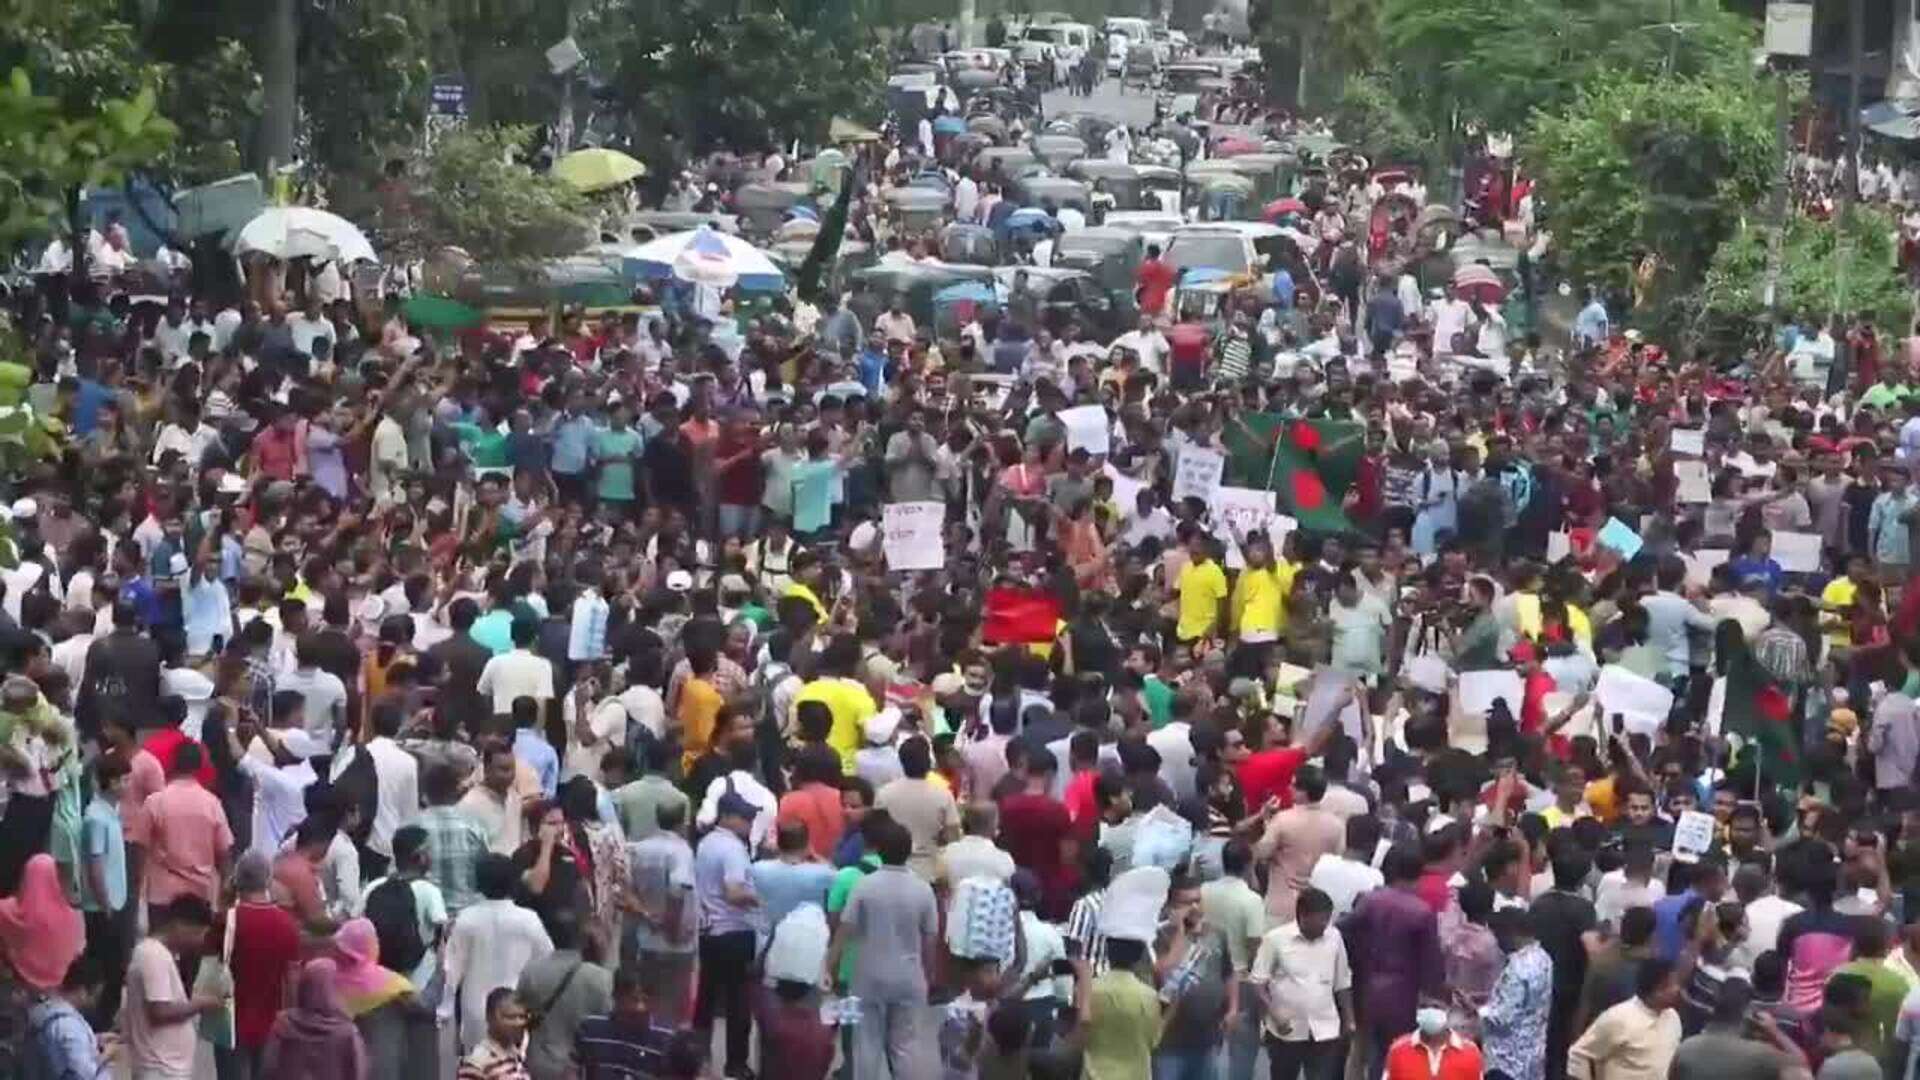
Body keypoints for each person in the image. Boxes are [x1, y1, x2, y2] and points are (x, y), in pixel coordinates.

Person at [825, 816, 939, 1078]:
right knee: (905, 1045)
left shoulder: (865, 886)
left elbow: (845, 929)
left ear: (878, 849)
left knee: (865, 1044)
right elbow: (930, 939)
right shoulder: (922, 889)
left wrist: (829, 965)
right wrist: (929, 975)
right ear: (908, 851)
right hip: (909, 976)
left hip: (867, 975)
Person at [441, 853, 556, 1053]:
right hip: (515, 1011)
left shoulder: (467, 919)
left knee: (478, 1066)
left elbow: (452, 970)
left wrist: (444, 1010)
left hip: (476, 1011)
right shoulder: (529, 920)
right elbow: (547, 962)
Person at [1251, 886, 1353, 1080]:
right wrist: (1274, 1013)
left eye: (1327, 919)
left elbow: (1342, 981)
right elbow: (1258, 982)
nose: (1324, 925)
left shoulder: (1334, 937)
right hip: (1287, 1031)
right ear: (1303, 916)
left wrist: (1349, 1019)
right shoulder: (1276, 939)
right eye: (1320, 920)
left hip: (1325, 1027)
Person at [694, 791, 761, 1077]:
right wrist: (759, 898)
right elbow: (734, 892)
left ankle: (697, 1058)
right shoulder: (732, 849)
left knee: (706, 1000)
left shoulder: (707, 843)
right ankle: (736, 1064)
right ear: (728, 817)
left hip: (709, 931)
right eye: (745, 818)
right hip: (734, 931)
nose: (749, 823)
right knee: (738, 1003)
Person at [124, 894, 224, 1080]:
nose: (199, 941)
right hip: (160, 1068)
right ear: (180, 925)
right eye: (198, 933)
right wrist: (201, 1004)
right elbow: (160, 1011)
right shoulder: (154, 955)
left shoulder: (161, 955)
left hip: (167, 1067)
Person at [517, 911, 614, 1080]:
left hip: (540, 1062)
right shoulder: (601, 978)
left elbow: (518, 1018)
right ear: (581, 940)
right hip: (582, 1065)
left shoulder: (532, 972)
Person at [1567, 956, 1685, 1080]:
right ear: (1655, 990)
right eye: (1670, 985)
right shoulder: (1618, 1018)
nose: (1677, 989)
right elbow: (1579, 1055)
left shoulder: (1673, 1018)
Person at [261, 958, 371, 1080]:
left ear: (304, 985)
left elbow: (268, 1067)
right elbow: (358, 1073)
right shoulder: (347, 1032)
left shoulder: (284, 1023)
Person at [574, 968, 679, 1078]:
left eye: (646, 1000)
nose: (641, 1008)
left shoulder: (666, 1038)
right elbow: (573, 1068)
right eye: (634, 999)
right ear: (616, 997)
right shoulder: (591, 1029)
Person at [458, 987, 533, 1080]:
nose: (518, 1023)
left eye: (522, 1016)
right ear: (490, 1018)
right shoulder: (477, 1063)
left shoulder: (517, 1056)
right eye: (510, 1017)